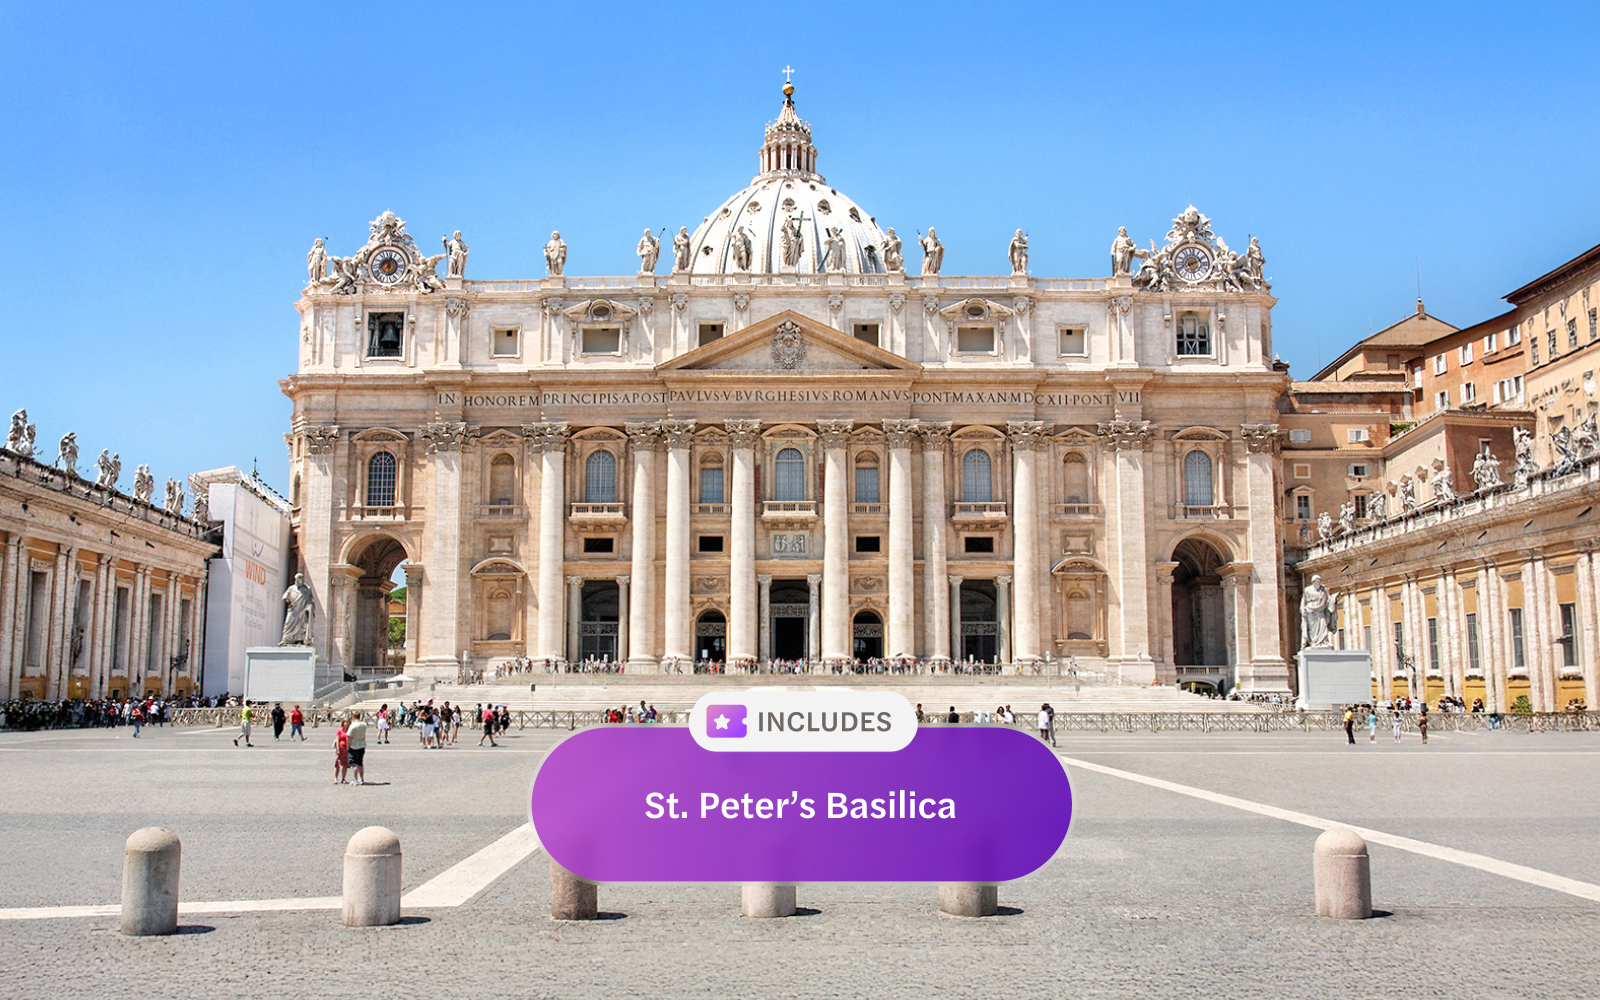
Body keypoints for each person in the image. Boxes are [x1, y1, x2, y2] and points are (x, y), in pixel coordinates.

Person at [347, 712, 368, 785]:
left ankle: (355, 779)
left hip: (354, 746)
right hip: (362, 745)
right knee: (360, 763)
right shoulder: (364, 725)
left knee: (354, 764)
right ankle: (361, 779)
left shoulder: (353, 726)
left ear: (353, 717)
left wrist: (347, 745)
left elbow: (349, 737)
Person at [334, 718, 350, 783]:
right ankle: (335, 778)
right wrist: (338, 748)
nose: (346, 723)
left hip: (347, 749)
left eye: (347, 722)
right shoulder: (340, 730)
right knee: (338, 764)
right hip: (340, 749)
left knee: (345, 764)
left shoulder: (349, 731)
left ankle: (343, 778)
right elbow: (337, 740)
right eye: (345, 722)